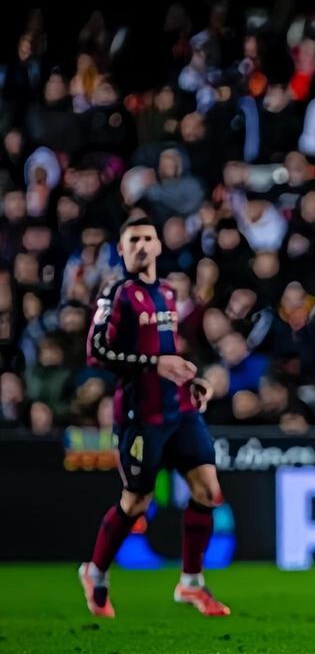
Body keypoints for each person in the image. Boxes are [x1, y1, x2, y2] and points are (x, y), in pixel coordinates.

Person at [78, 216, 230, 618]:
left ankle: (191, 583)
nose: (142, 245)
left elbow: (169, 349)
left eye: (148, 238)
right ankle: (95, 572)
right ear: (123, 250)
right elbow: (96, 353)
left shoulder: (166, 292)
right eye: (134, 240)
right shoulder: (117, 294)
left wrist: (190, 379)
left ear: (160, 246)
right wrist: (154, 364)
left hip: (180, 409)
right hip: (140, 416)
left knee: (208, 489)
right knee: (136, 501)